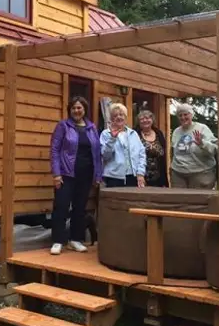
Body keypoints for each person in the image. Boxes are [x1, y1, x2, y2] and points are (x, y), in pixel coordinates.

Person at [49, 96, 103, 255]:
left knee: (80, 208)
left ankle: (75, 240)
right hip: (66, 174)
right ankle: (58, 241)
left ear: (84, 109)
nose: (76, 111)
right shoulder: (63, 126)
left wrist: (97, 175)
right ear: (70, 110)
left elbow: (97, 153)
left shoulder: (92, 128)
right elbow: (54, 150)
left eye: (79, 108)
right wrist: (56, 174)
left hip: (85, 174)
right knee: (61, 207)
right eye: (73, 108)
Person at [170, 103, 218, 189]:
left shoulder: (202, 128)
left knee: (199, 200)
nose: (183, 117)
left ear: (191, 115)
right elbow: (173, 151)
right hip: (178, 173)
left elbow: (215, 149)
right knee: (178, 200)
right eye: (180, 115)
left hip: (200, 173)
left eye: (185, 114)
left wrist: (202, 143)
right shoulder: (176, 131)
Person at [100, 103, 146, 188]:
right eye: (115, 115)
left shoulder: (133, 133)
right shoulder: (106, 134)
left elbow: (141, 154)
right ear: (111, 118)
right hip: (114, 177)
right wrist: (112, 139)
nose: (119, 117)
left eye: (121, 114)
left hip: (133, 177)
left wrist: (140, 173)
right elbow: (105, 156)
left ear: (125, 117)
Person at [135, 110, 169, 187]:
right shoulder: (135, 134)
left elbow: (163, 153)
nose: (145, 120)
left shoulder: (158, 133)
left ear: (152, 120)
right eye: (142, 119)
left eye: (147, 118)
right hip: (141, 176)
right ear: (138, 122)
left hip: (158, 176)